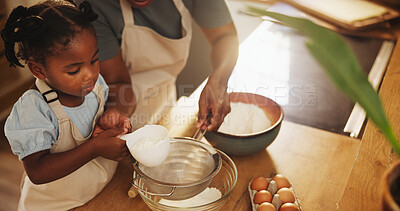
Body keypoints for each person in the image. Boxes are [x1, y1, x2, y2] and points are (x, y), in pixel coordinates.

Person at [1, 1, 135, 210]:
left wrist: (114, 114)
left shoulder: (95, 87)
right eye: (74, 70)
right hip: (55, 206)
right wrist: (94, 148)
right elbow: (37, 171)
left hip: (97, 193)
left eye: (94, 60)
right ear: (39, 71)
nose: (90, 74)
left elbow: (122, 95)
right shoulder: (34, 109)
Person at [74, 0, 239, 131]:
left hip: (166, 104)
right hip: (120, 110)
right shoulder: (94, 5)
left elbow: (225, 36)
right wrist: (117, 115)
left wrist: (219, 79)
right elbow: (117, 82)